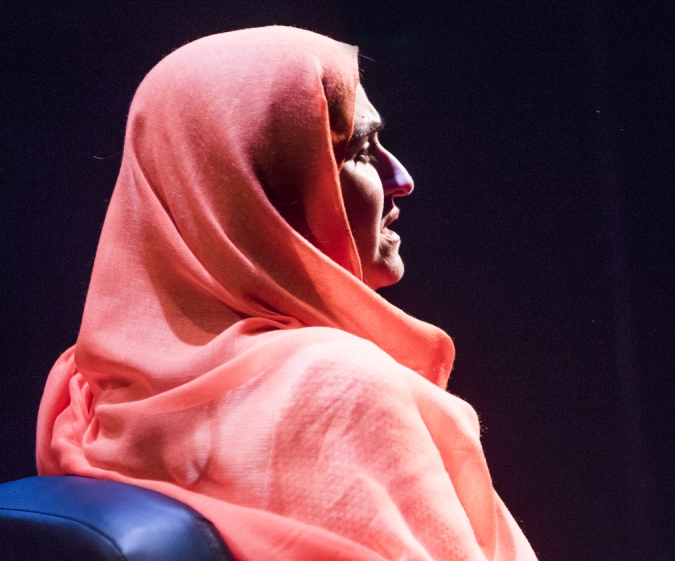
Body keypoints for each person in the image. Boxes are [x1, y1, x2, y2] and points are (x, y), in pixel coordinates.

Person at [35, 26, 536, 561]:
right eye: (362, 150)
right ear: (262, 190)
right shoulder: (340, 390)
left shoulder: (86, 391)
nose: (401, 177)